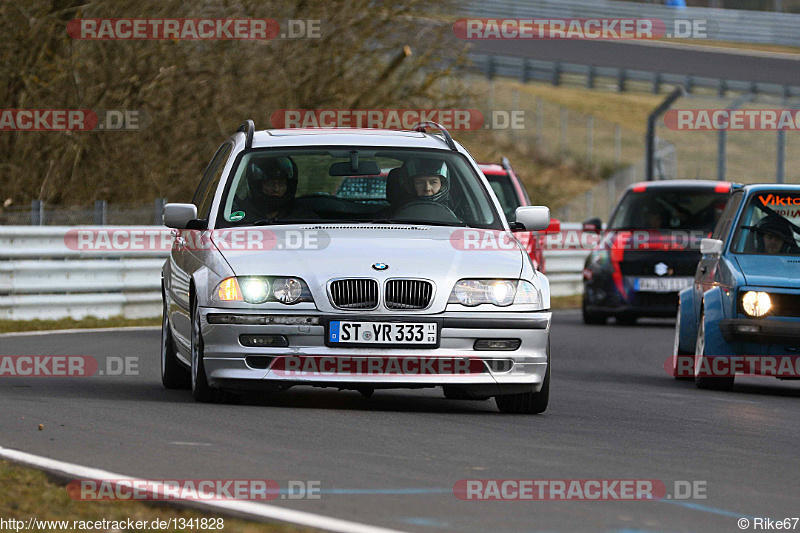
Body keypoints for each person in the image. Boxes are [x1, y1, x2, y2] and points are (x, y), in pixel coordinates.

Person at [235, 157, 316, 222]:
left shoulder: (302, 215)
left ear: (288, 186)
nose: (276, 189)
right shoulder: (240, 214)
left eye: (281, 184)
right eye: (270, 184)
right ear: (257, 186)